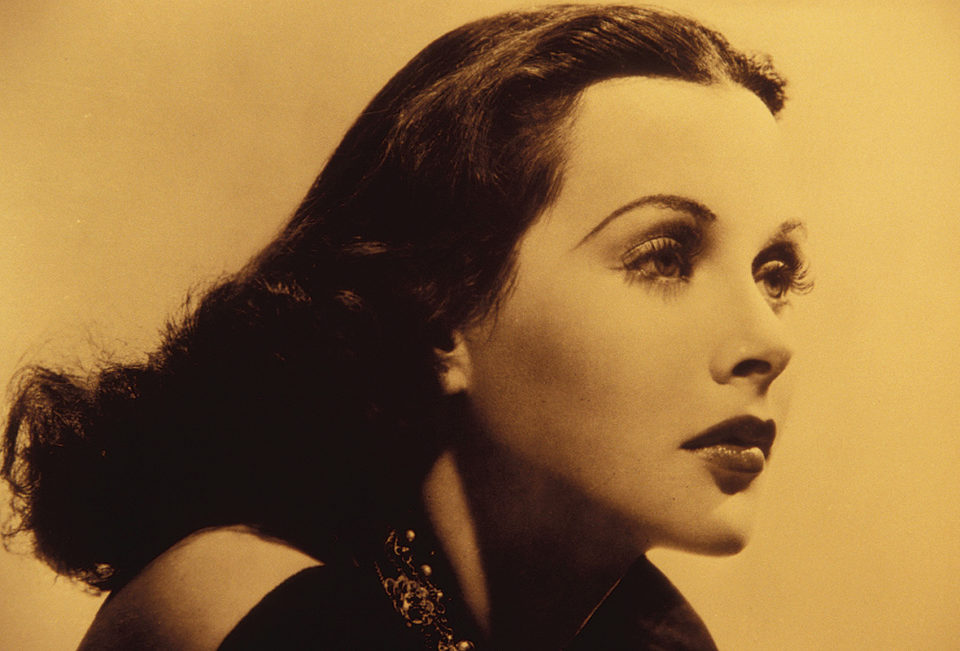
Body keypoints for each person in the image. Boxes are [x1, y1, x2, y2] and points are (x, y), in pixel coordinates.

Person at [1, 4, 811, 649]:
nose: (769, 343)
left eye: (774, 274)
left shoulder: (647, 633)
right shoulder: (249, 607)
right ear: (440, 312)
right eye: (663, 258)